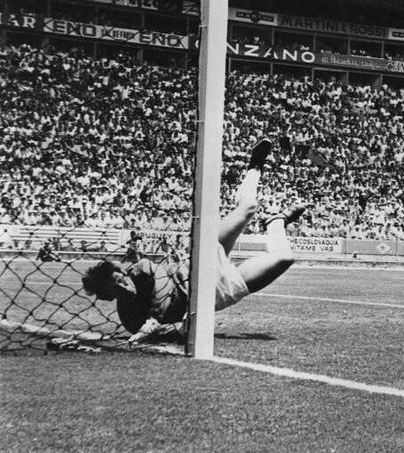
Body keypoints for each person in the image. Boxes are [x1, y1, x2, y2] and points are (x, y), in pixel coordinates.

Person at [81, 139, 305, 343]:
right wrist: (157, 330)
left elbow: (159, 282)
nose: (124, 284)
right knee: (285, 258)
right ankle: (277, 222)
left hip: (197, 262)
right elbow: (177, 330)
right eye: (116, 287)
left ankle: (255, 166)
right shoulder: (130, 319)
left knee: (248, 208)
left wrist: (154, 318)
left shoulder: (139, 271)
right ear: (108, 297)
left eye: (119, 278)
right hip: (215, 290)